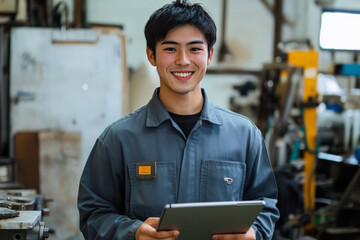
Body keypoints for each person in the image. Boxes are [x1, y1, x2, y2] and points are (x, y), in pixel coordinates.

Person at [77, 0, 280, 239]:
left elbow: (266, 206)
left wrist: (255, 232)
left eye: (195, 49)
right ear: (151, 55)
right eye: (170, 49)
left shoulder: (245, 136)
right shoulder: (118, 139)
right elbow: (94, 214)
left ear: (210, 55)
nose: (183, 60)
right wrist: (133, 233)